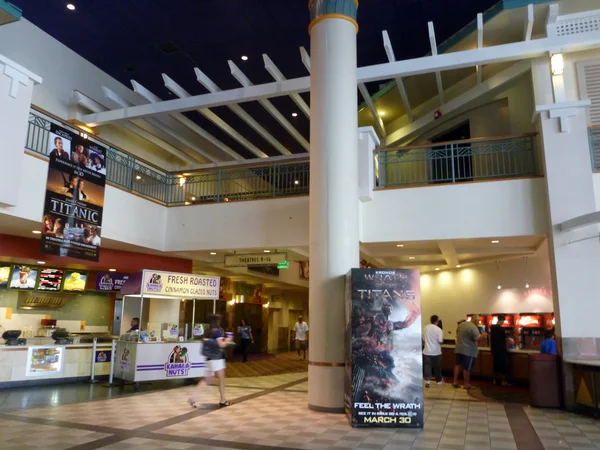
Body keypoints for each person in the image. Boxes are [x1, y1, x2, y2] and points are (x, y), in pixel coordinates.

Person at [189, 315, 232, 408]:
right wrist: (228, 340)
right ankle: (223, 400)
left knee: (206, 380)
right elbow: (221, 345)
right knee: (221, 380)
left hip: (209, 359)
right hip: (217, 359)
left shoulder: (207, 332)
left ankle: (193, 398)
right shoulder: (219, 331)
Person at [453, 314, 487, 390]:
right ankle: (466, 384)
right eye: (478, 321)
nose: (478, 323)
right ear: (475, 320)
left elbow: (457, 333)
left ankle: (455, 381)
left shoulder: (461, 324)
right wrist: (483, 335)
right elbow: (477, 338)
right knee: (467, 368)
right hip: (468, 350)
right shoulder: (473, 327)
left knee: (457, 365)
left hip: (458, 348)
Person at [423, 315, 444, 388]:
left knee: (427, 366)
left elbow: (423, 338)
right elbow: (440, 341)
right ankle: (439, 381)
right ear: (437, 321)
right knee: (437, 367)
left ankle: (427, 381)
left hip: (427, 351)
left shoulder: (425, 328)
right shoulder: (438, 330)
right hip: (436, 352)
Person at [490, 314, 510, 386]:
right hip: (501, 350)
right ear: (501, 320)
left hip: (494, 349)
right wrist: (510, 340)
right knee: (503, 365)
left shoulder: (492, 327)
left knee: (496, 365)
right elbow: (505, 339)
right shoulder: (501, 329)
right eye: (503, 321)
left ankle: (495, 380)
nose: (503, 323)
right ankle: (503, 381)